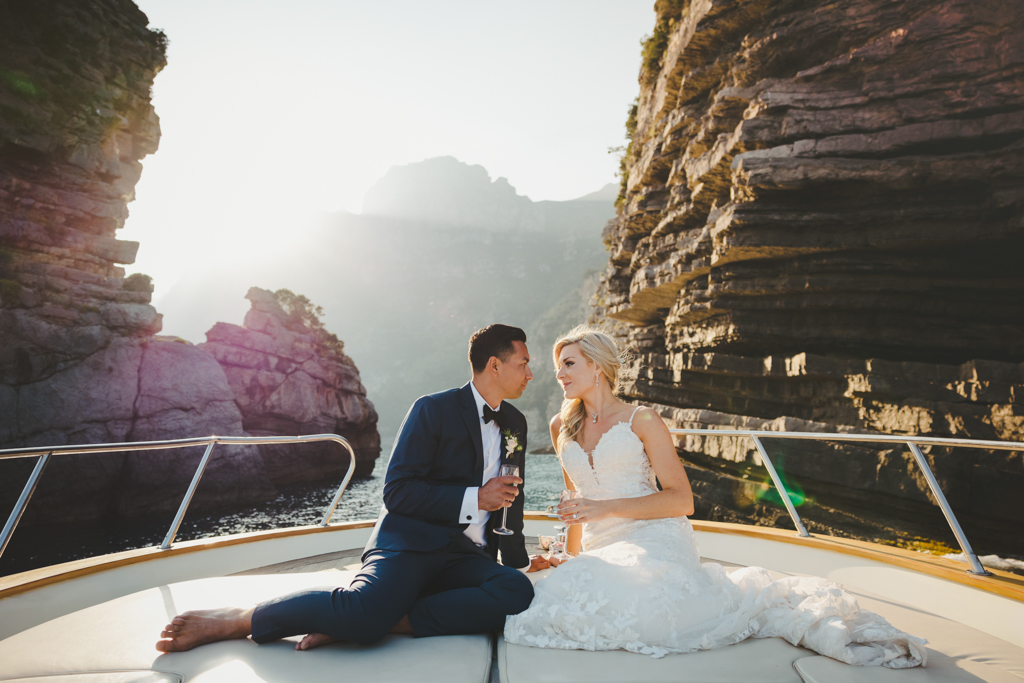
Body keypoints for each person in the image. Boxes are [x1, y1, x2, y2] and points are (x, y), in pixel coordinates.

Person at [504, 325, 927, 668]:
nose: (558, 373)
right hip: (601, 543)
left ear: (597, 366)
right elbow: (578, 499)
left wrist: (604, 508)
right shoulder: (563, 426)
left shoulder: (642, 420)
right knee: (551, 602)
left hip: (654, 536)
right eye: (559, 365)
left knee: (644, 611)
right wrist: (572, 558)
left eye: (568, 363)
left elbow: (681, 501)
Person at [157, 323, 549, 653]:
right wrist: (475, 498)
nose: (530, 374)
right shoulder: (433, 409)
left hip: (465, 555)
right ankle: (242, 619)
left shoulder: (514, 422)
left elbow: (513, 498)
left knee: (517, 592)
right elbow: (397, 491)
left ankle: (388, 620)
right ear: (494, 365)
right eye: (524, 364)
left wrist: (520, 559)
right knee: (362, 611)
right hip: (411, 542)